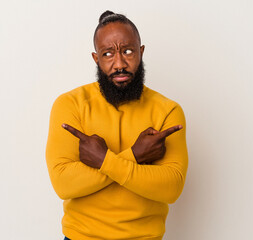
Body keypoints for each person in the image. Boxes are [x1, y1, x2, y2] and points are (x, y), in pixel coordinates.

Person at [46, 10, 188, 240]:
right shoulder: (70, 104)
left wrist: (102, 160)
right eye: (108, 53)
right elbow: (64, 184)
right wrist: (135, 155)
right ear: (96, 58)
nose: (119, 63)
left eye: (128, 51)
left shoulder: (168, 110)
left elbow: (171, 188)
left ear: (141, 52)